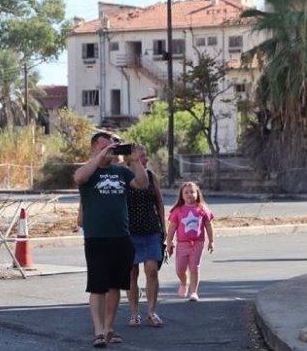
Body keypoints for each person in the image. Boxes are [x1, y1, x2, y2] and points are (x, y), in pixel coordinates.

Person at [73, 132, 149, 348]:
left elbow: (142, 184)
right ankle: (98, 331)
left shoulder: (121, 171)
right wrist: (101, 158)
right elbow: (78, 178)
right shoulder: (89, 171)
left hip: (121, 236)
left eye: (112, 147)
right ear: (93, 149)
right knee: (97, 286)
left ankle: (109, 328)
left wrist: (134, 162)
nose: (109, 151)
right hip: (97, 236)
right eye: (104, 147)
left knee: (115, 286)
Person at [125, 146, 166, 327]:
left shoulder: (150, 176)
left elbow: (159, 201)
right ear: (131, 159)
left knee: (152, 270)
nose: (146, 159)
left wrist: (163, 227)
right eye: (141, 156)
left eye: (146, 155)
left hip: (150, 229)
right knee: (131, 273)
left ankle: (151, 311)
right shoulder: (123, 177)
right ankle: (134, 312)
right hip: (129, 231)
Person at [166, 181, 214, 302]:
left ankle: (193, 292)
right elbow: (172, 227)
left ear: (197, 194)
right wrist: (169, 241)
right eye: (186, 192)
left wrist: (211, 241)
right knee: (180, 269)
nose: (189, 194)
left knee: (194, 268)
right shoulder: (178, 210)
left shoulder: (202, 209)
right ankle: (184, 283)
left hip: (197, 243)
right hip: (182, 244)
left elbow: (209, 225)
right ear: (182, 196)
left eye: (192, 192)